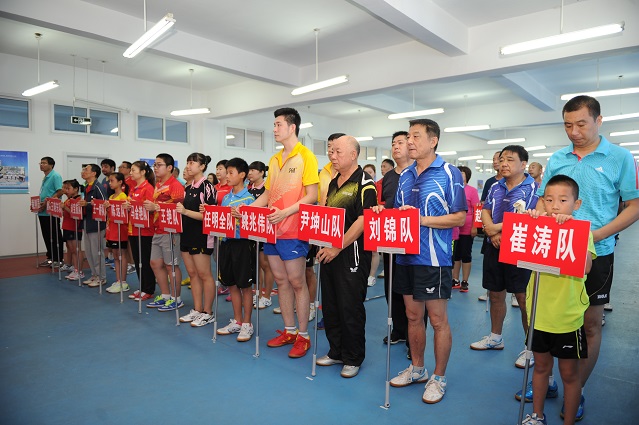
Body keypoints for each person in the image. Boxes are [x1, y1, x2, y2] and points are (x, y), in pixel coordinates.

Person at [534, 95, 639, 421]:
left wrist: (593, 236)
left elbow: (634, 206)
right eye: (568, 125)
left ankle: (576, 388)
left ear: (598, 120)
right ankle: (549, 378)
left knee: (589, 324)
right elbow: (542, 201)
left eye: (581, 124)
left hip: (598, 252)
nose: (574, 132)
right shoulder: (558, 157)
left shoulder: (620, 157)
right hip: (554, 251)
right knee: (548, 316)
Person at [385, 119, 466, 404]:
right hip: (405, 257)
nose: (409, 141)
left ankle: (439, 377)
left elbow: (459, 217)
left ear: (433, 141)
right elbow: (398, 213)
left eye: (415, 136)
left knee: (438, 320)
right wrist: (384, 214)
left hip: (434, 258)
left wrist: (421, 220)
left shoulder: (449, 173)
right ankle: (418, 368)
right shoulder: (405, 175)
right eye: (408, 136)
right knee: (412, 316)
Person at [519, 175, 596, 425]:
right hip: (539, 314)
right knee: (541, 368)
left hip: (567, 318)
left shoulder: (582, 231)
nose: (555, 206)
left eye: (563, 200)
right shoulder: (538, 228)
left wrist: (570, 231)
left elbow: (585, 267)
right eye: (549, 200)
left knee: (569, 374)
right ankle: (537, 416)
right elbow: (517, 245)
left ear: (576, 204)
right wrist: (530, 221)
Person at [251, 107, 319, 358]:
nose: (274, 129)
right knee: (280, 281)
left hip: (294, 230)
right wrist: (248, 209)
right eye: (274, 124)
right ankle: (289, 330)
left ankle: (303, 335)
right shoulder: (274, 159)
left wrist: (286, 212)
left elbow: (312, 195)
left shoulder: (306, 157)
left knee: (297, 281)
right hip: (273, 229)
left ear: (292, 127)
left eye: (278, 124)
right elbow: (268, 194)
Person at [470, 145, 539, 368]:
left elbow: (526, 218)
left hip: (519, 248)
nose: (504, 164)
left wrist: (494, 229)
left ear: (523, 164)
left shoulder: (533, 188)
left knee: (523, 298)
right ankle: (495, 337)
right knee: (495, 294)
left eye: (510, 160)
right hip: (494, 246)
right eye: (502, 160)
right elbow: (485, 209)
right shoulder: (495, 185)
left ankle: (530, 348)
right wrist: (491, 231)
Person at [315, 135, 377, 378]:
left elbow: (363, 220)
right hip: (330, 253)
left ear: (353, 154)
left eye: (338, 151)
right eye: (331, 151)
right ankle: (336, 351)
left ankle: (353, 357)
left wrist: (338, 246)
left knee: (350, 306)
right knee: (331, 305)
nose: (332, 156)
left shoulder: (365, 183)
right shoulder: (334, 182)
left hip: (352, 254)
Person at [216, 157, 257, 341]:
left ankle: (247, 323)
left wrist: (243, 217)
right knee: (231, 283)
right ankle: (238, 321)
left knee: (245, 286)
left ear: (242, 175)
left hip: (242, 245)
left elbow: (254, 225)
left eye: (231, 172)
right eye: (227, 172)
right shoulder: (226, 198)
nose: (227, 175)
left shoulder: (250, 199)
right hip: (226, 243)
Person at [380, 131, 413, 351]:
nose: (396, 146)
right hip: (390, 237)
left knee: (411, 291)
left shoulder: (418, 173)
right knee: (391, 287)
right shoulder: (389, 177)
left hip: (410, 241)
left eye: (400, 142)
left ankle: (413, 339)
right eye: (393, 143)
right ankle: (399, 330)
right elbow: (386, 203)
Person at [176, 153, 217, 327]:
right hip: (186, 234)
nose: (188, 166)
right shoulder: (188, 187)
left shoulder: (207, 187)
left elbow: (210, 215)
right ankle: (197, 309)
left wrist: (185, 212)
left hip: (201, 236)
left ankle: (208, 312)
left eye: (192, 163)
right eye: (187, 162)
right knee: (192, 274)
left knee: (204, 274)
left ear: (202, 166)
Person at [144, 154, 186, 311]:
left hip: (170, 231)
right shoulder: (158, 184)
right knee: (155, 263)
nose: (155, 168)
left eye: (159, 165)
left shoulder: (175, 186)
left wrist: (156, 207)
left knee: (171, 266)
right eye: (154, 165)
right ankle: (165, 295)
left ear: (169, 168)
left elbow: (178, 208)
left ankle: (176, 299)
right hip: (157, 228)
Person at [126, 161, 156, 301]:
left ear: (143, 172)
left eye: (133, 170)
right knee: (138, 260)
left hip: (145, 230)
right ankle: (142, 286)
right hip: (133, 228)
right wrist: (128, 206)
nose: (131, 173)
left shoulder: (148, 188)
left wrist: (137, 207)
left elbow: (151, 209)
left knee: (145, 260)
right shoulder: (133, 188)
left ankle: (148, 289)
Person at [247, 161, 274, 310]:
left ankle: (267, 296)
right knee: (255, 264)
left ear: (262, 172)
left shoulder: (267, 189)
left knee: (265, 264)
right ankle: (257, 293)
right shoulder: (248, 188)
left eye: (253, 170)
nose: (250, 173)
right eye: (249, 170)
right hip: (251, 231)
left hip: (265, 231)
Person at [451, 166, 480, 293]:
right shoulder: (453, 189)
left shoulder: (472, 191)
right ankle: (455, 279)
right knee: (456, 255)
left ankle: (465, 281)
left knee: (466, 255)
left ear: (467, 176)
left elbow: (477, 210)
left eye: (462, 173)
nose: (460, 175)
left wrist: (475, 227)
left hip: (467, 229)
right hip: (454, 229)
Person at [78, 164, 107, 287]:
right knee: (89, 251)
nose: (83, 172)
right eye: (83, 169)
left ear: (94, 173)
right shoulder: (86, 186)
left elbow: (104, 204)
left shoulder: (98, 187)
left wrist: (88, 204)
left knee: (97, 251)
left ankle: (101, 277)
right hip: (86, 221)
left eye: (86, 170)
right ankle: (94, 274)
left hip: (96, 223)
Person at [105, 172, 131, 293]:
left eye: (112, 181)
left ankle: (123, 282)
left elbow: (125, 215)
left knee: (121, 255)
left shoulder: (123, 197)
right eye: (109, 181)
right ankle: (118, 280)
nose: (110, 183)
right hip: (111, 229)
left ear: (120, 182)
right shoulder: (111, 197)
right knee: (115, 255)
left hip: (120, 230)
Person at [36, 157, 64, 267]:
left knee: (54, 235)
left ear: (51, 165)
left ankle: (58, 259)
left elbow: (60, 191)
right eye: (41, 163)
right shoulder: (45, 177)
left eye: (44, 163)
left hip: (52, 211)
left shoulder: (55, 176)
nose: (41, 165)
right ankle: (50, 258)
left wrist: (48, 201)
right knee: (46, 235)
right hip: (43, 211)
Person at [60, 179, 84, 281]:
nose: (65, 190)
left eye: (68, 188)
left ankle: (80, 271)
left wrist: (65, 208)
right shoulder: (68, 200)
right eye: (64, 188)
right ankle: (75, 269)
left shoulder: (78, 200)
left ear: (75, 189)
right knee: (71, 249)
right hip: (67, 226)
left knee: (76, 249)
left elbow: (76, 214)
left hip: (75, 227)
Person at [362, 164, 380, 287]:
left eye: (370, 172)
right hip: (362, 221)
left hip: (375, 221)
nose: (368, 174)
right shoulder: (361, 186)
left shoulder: (378, 186)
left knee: (374, 251)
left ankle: (372, 276)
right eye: (366, 172)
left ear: (374, 173)